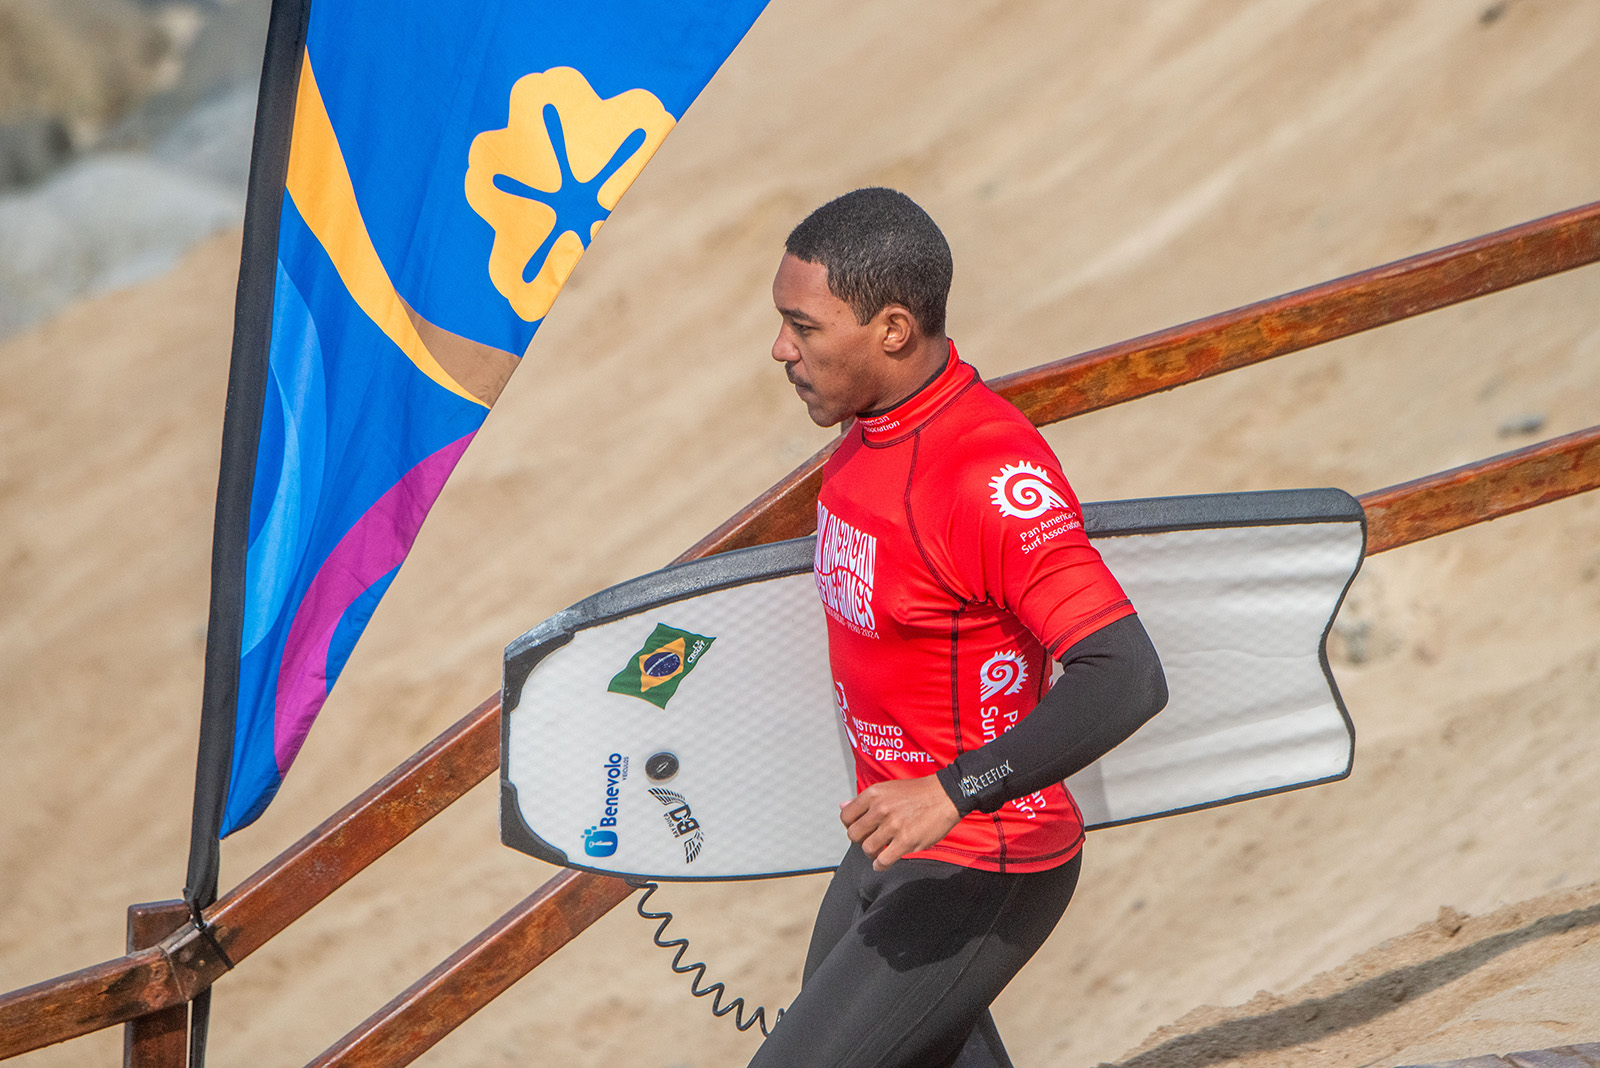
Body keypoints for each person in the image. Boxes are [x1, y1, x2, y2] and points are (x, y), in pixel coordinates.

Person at [749, 188, 1168, 1068]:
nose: (781, 348)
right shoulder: (869, 435)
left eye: (805, 327)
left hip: (981, 858)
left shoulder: (984, 473)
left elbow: (1125, 673)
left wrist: (951, 791)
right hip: (889, 845)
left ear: (894, 330)